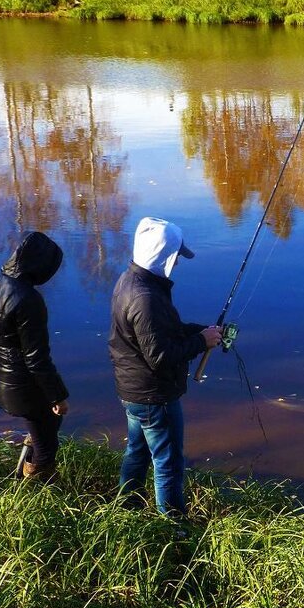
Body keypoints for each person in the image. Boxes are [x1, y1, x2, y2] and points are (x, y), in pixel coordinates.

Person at [109, 216, 222, 517]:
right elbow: (160, 355)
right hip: (153, 396)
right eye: (175, 257)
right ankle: (174, 528)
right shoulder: (146, 297)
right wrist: (201, 342)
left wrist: (201, 332)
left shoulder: (130, 281)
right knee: (169, 462)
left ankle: (126, 508)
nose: (178, 263)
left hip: (133, 391)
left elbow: (159, 332)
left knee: (138, 451)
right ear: (163, 257)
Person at [0, 231, 70, 481]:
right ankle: (35, 486)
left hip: (0, 381)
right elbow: (36, 358)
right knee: (47, 443)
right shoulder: (29, 300)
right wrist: (57, 395)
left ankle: (25, 465)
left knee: (43, 428)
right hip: (25, 387)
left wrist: (4, 349)